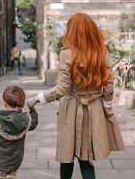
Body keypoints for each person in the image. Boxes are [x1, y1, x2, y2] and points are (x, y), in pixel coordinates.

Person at [27, 12, 125, 179]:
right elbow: (108, 86)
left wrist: (37, 98)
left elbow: (62, 88)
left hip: (71, 109)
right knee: (86, 158)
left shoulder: (67, 54)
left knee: (67, 157)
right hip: (94, 109)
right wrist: (107, 106)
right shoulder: (102, 52)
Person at [0, 85, 38, 178]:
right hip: (15, 161)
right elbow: (34, 123)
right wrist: (32, 109)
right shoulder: (26, 119)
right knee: (12, 176)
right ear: (23, 104)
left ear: (4, 103)